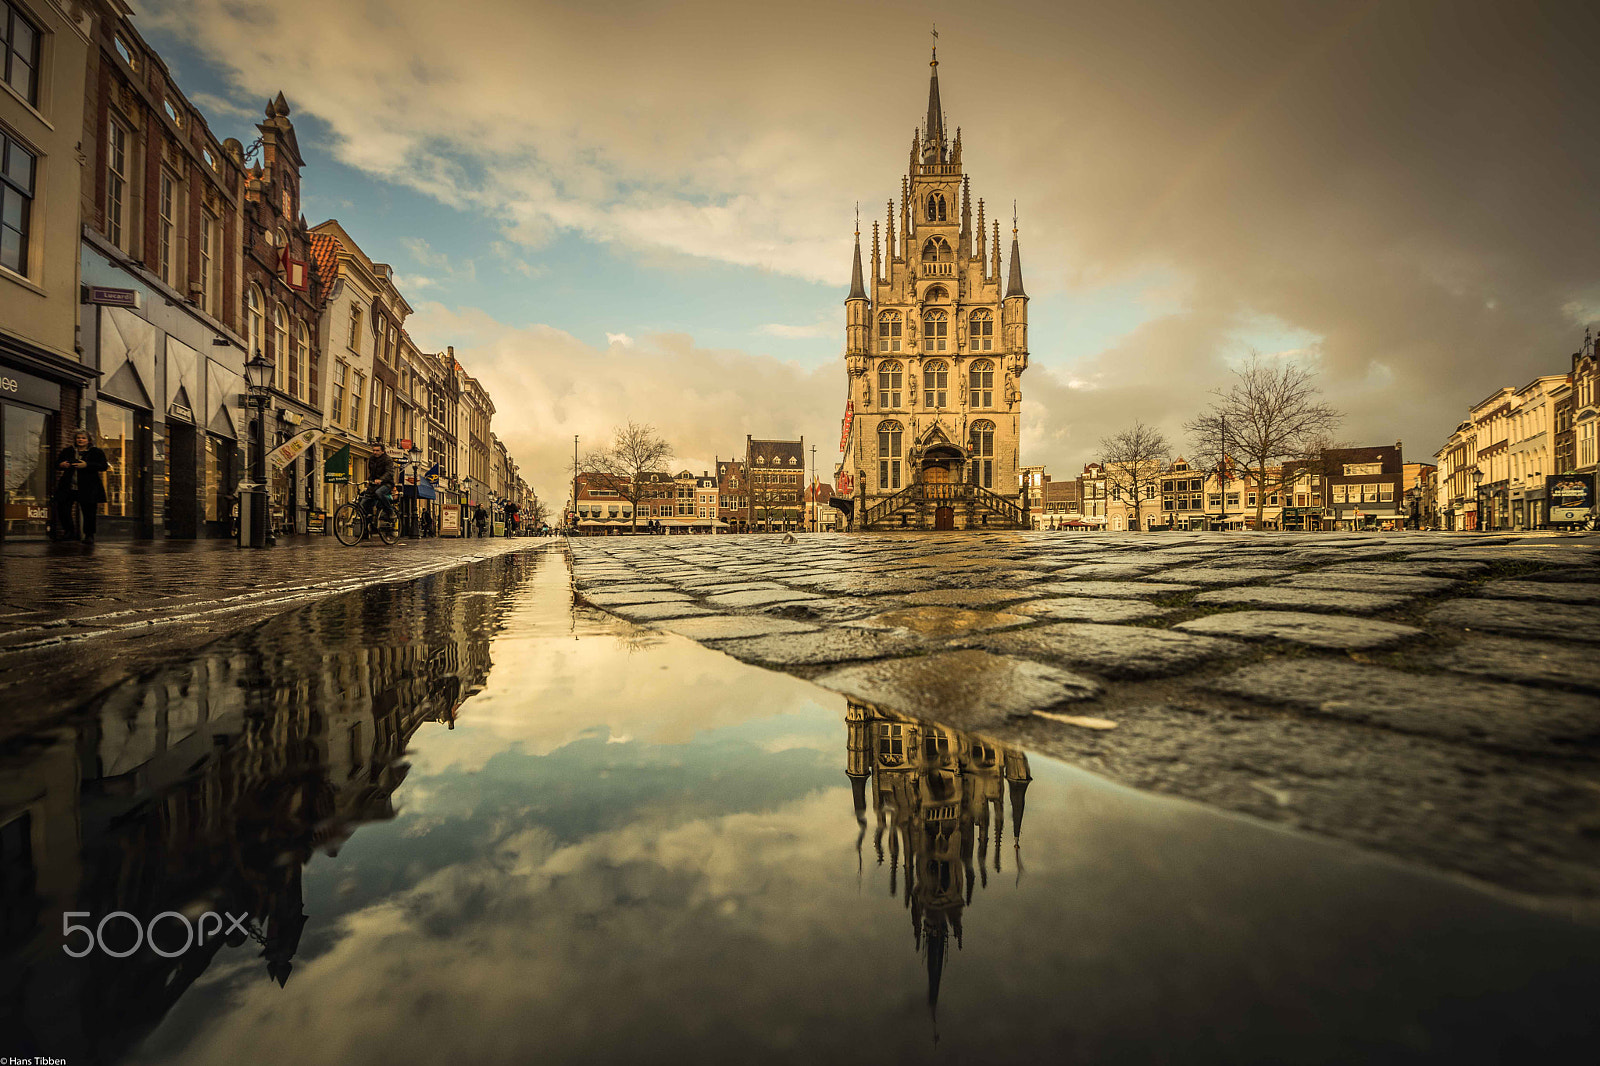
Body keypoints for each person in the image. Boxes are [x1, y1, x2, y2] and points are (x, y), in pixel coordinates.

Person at [55, 429, 109, 544]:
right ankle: (69, 532)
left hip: (88, 487)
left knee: (89, 512)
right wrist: (61, 464)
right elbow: (57, 464)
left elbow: (103, 466)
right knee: (63, 509)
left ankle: (89, 535)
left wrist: (87, 465)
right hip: (69, 486)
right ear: (75, 440)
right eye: (78, 438)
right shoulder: (68, 451)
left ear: (88, 440)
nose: (80, 440)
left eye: (83, 438)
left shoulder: (96, 452)